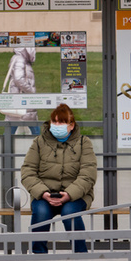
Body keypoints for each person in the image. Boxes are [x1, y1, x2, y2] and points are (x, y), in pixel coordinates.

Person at [21, 103, 97, 253]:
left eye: (62, 122)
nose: (57, 125)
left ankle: (81, 255)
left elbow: (88, 173)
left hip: (75, 197)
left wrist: (69, 194)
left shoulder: (84, 143)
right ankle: (38, 257)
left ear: (71, 125)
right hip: (45, 195)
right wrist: (43, 193)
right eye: (54, 122)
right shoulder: (39, 142)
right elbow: (27, 171)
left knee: (69, 213)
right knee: (41, 213)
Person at [2, 47, 39, 135]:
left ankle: (5, 146)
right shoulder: (20, 59)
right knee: (34, 127)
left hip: (19, 99)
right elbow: (18, 79)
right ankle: (39, 147)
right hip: (22, 100)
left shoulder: (20, 58)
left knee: (12, 125)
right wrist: (31, 91)